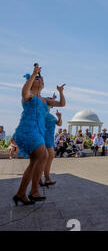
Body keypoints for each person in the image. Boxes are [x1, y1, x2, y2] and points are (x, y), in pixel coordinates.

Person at [12, 64, 52, 205]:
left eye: (41, 79)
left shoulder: (43, 100)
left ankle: (21, 194)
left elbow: (61, 104)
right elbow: (24, 92)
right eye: (37, 79)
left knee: (35, 162)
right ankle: (34, 191)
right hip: (28, 131)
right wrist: (34, 73)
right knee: (43, 155)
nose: (40, 80)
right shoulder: (29, 96)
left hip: (39, 132)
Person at [41, 102, 64, 187]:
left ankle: (45, 178)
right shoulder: (41, 114)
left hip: (50, 138)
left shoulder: (51, 116)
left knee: (49, 157)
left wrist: (59, 117)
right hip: (43, 137)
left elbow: (59, 124)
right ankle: (45, 178)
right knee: (46, 157)